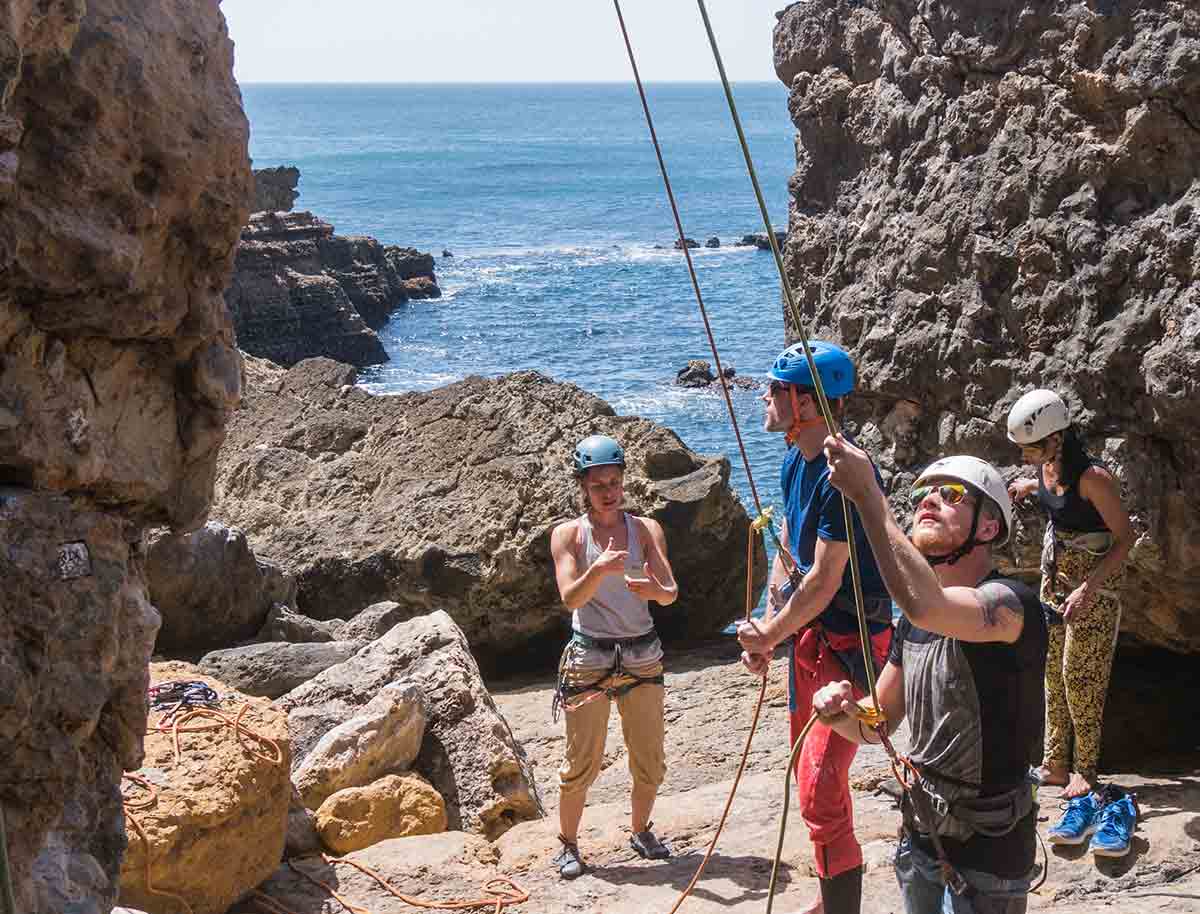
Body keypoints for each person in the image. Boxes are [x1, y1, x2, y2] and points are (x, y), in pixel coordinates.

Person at [812, 442, 1048, 913]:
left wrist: (869, 498)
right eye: (924, 493)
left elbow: (927, 604)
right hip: (921, 836)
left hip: (989, 856)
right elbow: (873, 722)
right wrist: (839, 712)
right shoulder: (914, 623)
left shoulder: (1011, 606)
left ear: (989, 526)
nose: (928, 499)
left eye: (953, 494)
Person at [736, 341, 893, 914]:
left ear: (806, 402)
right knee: (809, 775)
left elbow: (827, 580)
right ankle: (834, 900)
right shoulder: (794, 461)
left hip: (854, 645)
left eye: (777, 388)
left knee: (821, 782)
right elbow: (790, 557)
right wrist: (766, 626)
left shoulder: (840, 474)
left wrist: (774, 632)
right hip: (810, 640)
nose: (766, 396)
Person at [548, 434, 679, 879]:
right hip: (590, 656)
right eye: (599, 483)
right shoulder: (568, 535)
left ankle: (642, 831)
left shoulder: (644, 529)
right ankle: (568, 844)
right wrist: (600, 568)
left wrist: (652, 590)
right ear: (583, 485)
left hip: (642, 653)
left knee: (649, 757)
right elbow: (570, 597)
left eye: (615, 482)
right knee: (581, 760)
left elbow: (670, 592)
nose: (608, 491)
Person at [1006, 389, 1134, 801]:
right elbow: (1054, 498)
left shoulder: (1093, 479)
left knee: (1081, 677)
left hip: (1093, 585)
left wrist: (1087, 588)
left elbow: (1124, 539)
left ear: (1056, 439)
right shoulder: (1048, 469)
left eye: (1031, 448)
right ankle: (1055, 763)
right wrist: (1029, 487)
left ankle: (1086, 770)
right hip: (1057, 579)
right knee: (1051, 671)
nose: (1026, 456)